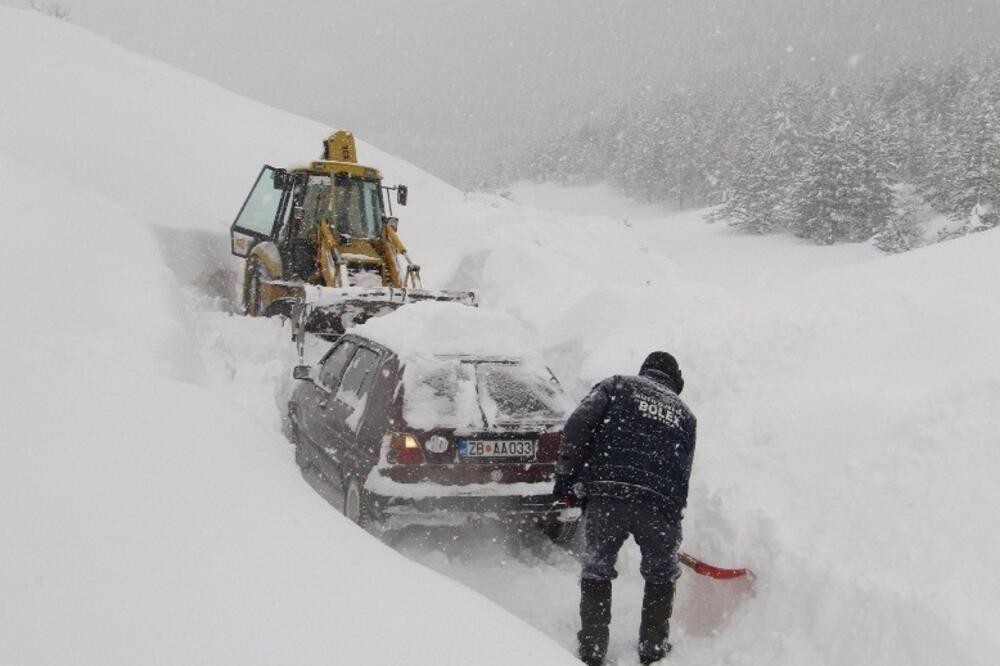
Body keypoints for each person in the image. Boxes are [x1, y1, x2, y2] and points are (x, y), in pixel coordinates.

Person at [554, 351, 697, 665]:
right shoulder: (685, 415)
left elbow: (577, 426)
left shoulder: (617, 386)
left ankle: (592, 650)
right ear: (675, 382)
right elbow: (682, 472)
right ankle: (653, 650)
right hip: (659, 505)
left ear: (646, 371)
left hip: (609, 495)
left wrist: (567, 476)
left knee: (597, 566)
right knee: (661, 575)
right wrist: (672, 517)